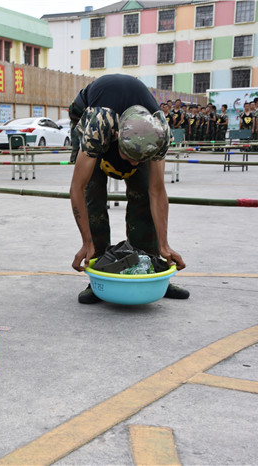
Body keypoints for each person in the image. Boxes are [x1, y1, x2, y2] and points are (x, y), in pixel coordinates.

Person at [67, 74, 187, 304]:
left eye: (139, 159)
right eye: (129, 157)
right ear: (116, 137)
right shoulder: (99, 126)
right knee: (93, 192)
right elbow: (77, 188)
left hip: (134, 126)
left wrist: (164, 245)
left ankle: (149, 267)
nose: (133, 164)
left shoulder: (159, 132)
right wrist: (86, 242)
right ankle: (100, 274)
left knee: (143, 193)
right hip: (85, 110)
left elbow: (157, 191)